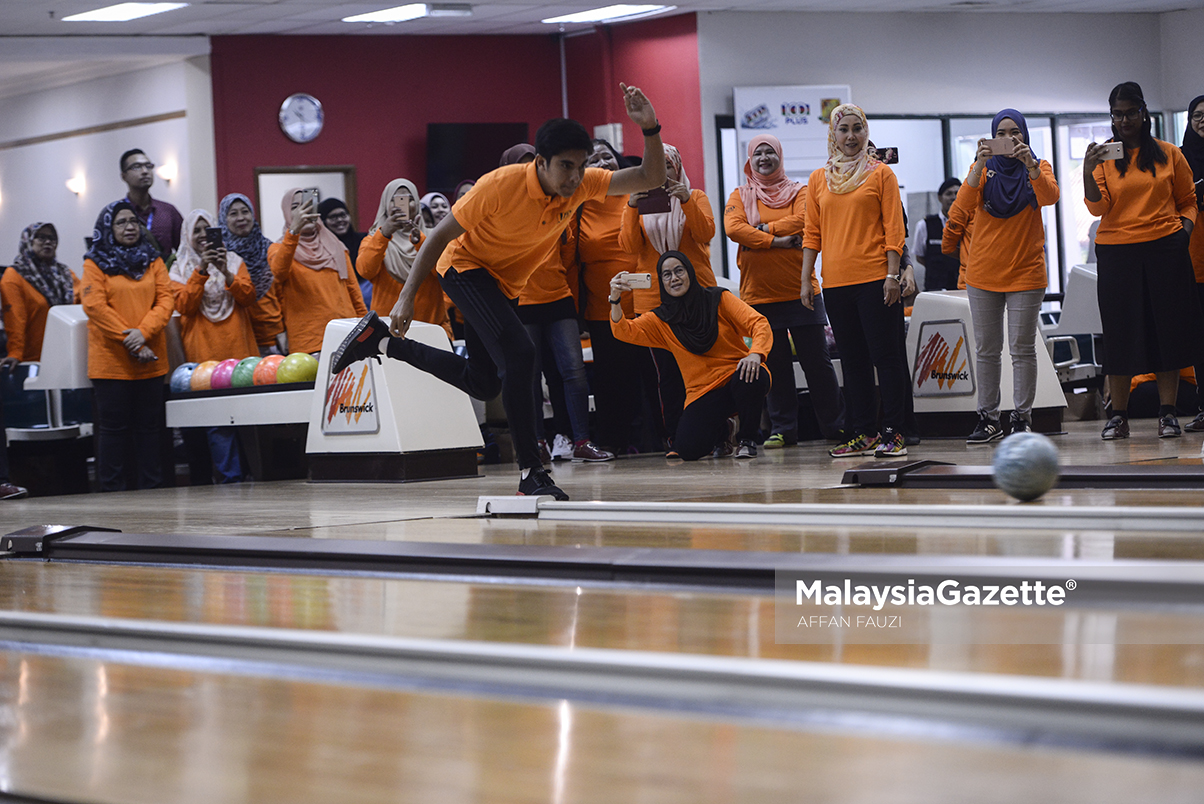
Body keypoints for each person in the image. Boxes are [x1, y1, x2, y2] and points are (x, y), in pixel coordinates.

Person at [329, 83, 667, 500]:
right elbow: (436, 238)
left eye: (581, 167)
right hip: (464, 269)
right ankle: (531, 471)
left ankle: (380, 341)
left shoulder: (580, 186)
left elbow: (652, 176)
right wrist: (406, 297)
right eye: (566, 166)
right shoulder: (499, 185)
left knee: (483, 382)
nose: (576, 177)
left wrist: (649, 128)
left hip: (505, 284)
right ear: (541, 162)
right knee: (523, 353)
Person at [1084, 81, 1201, 440]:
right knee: (1120, 335)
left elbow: (1188, 200)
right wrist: (1088, 172)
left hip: (1165, 249)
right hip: (1118, 252)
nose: (1124, 120)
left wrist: (1184, 232)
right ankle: (1119, 415)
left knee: (1166, 331)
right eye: (1117, 114)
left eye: (1130, 112)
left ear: (1143, 112)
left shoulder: (1169, 153)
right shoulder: (1104, 157)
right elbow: (1098, 207)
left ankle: (1169, 413)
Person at [801, 104, 914, 459]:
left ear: (866, 133)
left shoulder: (880, 174)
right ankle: (862, 432)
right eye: (843, 130)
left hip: (876, 279)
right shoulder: (820, 178)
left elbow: (894, 228)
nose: (850, 137)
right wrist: (807, 279)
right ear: (833, 135)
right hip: (836, 283)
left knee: (886, 357)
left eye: (856, 129)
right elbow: (811, 232)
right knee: (852, 361)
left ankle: (893, 432)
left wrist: (893, 274)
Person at [725, 134, 844, 447]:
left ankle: (834, 426)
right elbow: (733, 229)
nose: (764, 159)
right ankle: (783, 428)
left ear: (779, 156)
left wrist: (761, 231)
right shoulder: (740, 194)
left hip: (802, 290)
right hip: (758, 294)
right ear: (750, 160)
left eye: (770, 152)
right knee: (774, 365)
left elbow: (805, 219)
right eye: (758, 154)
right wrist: (776, 241)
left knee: (817, 364)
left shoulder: (800, 191)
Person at [953, 110, 1060, 443]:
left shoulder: (1039, 167)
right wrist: (978, 165)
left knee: (1022, 348)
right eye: (1002, 132)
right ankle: (988, 418)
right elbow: (962, 206)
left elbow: (1050, 197)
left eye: (1016, 132)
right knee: (986, 350)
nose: (1010, 138)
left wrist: (1029, 165)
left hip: (1026, 273)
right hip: (983, 273)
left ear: (1025, 136)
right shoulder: (982, 169)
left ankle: (1022, 418)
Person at [610, 252, 771, 460]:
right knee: (688, 450)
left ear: (690, 272)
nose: (674, 278)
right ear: (662, 282)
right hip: (703, 390)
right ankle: (723, 431)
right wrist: (614, 298)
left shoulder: (718, 299)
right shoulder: (661, 319)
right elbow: (623, 331)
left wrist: (755, 354)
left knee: (752, 376)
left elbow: (759, 323)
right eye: (666, 275)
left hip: (736, 376)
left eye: (679, 271)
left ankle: (747, 439)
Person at [619, 143, 717, 450]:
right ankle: (676, 436)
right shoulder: (636, 202)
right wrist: (631, 206)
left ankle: (716, 434)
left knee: (706, 368)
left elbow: (705, 233)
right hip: (654, 303)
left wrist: (686, 200)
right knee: (669, 376)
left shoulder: (696, 195)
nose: (663, 173)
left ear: (678, 168)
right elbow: (628, 246)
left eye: (668, 166)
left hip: (698, 297)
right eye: (656, 167)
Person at [81, 201, 175, 491]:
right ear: (107, 228)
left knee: (150, 430)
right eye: (120, 222)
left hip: (151, 358)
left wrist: (143, 333)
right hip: (111, 362)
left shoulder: (153, 259)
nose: (130, 227)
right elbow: (94, 305)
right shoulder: (94, 262)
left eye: (133, 221)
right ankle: (112, 493)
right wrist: (130, 339)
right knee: (113, 430)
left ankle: (153, 491)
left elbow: (166, 300)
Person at [170, 209, 260, 482]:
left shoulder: (234, 261)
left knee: (249, 421)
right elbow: (184, 305)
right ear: (187, 235)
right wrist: (201, 271)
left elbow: (248, 297)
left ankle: (257, 477)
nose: (201, 236)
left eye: (206, 229)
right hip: (204, 357)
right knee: (217, 426)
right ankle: (230, 482)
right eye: (195, 230)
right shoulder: (179, 269)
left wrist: (224, 271)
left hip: (240, 352)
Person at [567, 139, 645, 454]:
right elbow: (571, 260)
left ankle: (656, 438)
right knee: (612, 380)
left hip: (645, 303)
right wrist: (576, 312)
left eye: (607, 157)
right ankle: (615, 440)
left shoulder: (636, 194)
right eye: (594, 159)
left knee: (648, 376)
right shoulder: (579, 205)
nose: (603, 163)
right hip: (603, 307)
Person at [270, 189, 367, 355]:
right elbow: (279, 272)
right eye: (296, 207)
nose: (304, 210)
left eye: (309, 204)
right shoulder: (278, 249)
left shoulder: (335, 245)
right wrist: (294, 231)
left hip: (348, 338)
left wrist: (366, 330)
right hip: (309, 345)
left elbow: (354, 292)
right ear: (287, 213)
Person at [357, 178, 451, 339]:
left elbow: (443, 272)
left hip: (432, 328)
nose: (403, 205)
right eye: (395, 200)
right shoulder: (373, 238)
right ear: (386, 204)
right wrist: (384, 234)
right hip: (388, 331)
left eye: (409, 199)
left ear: (418, 204)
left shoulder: (433, 236)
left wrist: (420, 242)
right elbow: (365, 271)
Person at [1, 223, 79, 366]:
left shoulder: (65, 274)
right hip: (31, 361)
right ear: (28, 240)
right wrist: (15, 353)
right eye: (41, 237)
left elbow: (83, 307)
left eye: (52, 238)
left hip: (67, 358)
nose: (48, 242)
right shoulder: (14, 276)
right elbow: (15, 319)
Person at [218, 193, 286, 354]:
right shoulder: (220, 256)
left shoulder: (270, 249)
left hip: (272, 338)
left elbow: (284, 294)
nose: (241, 218)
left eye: (245, 211)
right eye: (233, 213)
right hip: (237, 338)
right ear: (223, 219)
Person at [1181, 94, 1204, 433]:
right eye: (1198, 115)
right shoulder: (1180, 159)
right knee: (1199, 339)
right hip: (1194, 260)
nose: (1203, 120)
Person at [119, 148, 184, 257]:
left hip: (164, 272)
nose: (145, 171)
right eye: (137, 167)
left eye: (148, 166)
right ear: (124, 176)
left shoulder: (168, 211)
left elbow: (184, 251)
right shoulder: (116, 212)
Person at [318, 197, 371, 308]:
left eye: (343, 215)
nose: (339, 220)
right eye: (333, 217)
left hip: (368, 302)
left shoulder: (364, 240)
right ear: (323, 221)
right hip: (337, 303)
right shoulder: (320, 248)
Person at [914, 177, 963, 291]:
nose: (953, 197)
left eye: (957, 193)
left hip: (961, 287)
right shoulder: (925, 225)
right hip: (935, 288)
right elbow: (919, 256)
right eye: (949, 193)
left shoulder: (968, 224)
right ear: (940, 197)